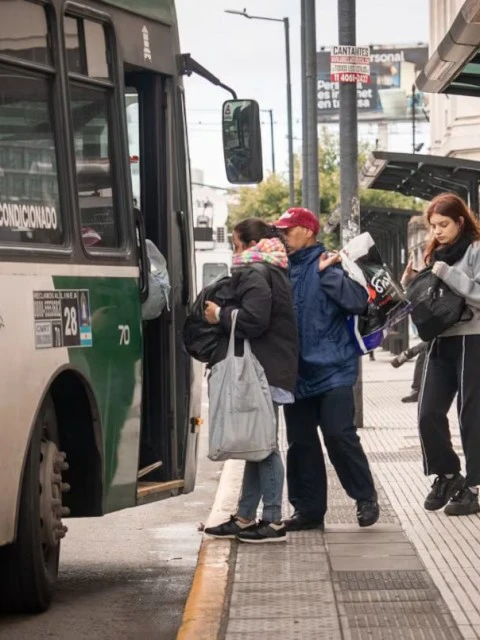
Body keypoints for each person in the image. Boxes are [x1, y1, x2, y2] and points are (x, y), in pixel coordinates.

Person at [273, 207, 380, 530]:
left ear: (308, 231)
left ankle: (365, 497)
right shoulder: (281, 270)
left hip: (334, 368)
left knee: (338, 434)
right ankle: (308, 511)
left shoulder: (331, 264)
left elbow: (358, 302)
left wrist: (329, 275)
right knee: (300, 443)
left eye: (288, 230)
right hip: (297, 372)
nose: (283, 236)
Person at [203, 218, 298, 543]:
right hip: (270, 366)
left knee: (265, 446)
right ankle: (245, 516)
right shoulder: (271, 268)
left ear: (250, 245)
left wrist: (219, 315)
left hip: (263, 369)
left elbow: (255, 320)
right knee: (257, 443)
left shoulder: (256, 272)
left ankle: (273, 520)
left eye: (235, 243)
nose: (233, 250)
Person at [418, 193, 480, 516]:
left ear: (460, 221)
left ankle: (473, 488)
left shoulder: (475, 249)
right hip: (440, 339)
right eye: (433, 226)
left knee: (471, 415)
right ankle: (447, 474)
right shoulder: (434, 253)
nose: (437, 231)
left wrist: (446, 273)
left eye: (443, 224)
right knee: (427, 412)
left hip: (473, 338)